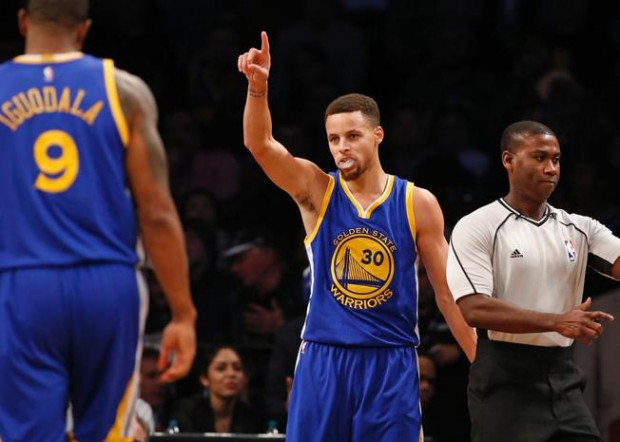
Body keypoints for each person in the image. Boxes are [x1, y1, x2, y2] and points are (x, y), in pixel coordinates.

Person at [237, 31, 476, 441]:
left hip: (391, 360)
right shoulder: (317, 189)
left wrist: (480, 360)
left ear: (378, 135)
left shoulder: (417, 202)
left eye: (352, 136)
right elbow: (259, 144)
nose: (341, 147)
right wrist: (258, 90)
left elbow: (447, 292)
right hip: (324, 357)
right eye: (333, 139)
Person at [0, 1, 197, 441]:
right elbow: (158, 212)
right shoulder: (123, 90)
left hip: (22, 282)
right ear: (84, 30)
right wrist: (182, 313)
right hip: (107, 283)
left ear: (23, 21)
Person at [446, 120, 620, 442]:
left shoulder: (580, 228)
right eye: (539, 158)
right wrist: (557, 321)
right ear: (508, 160)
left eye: (555, 159)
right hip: (504, 380)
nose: (551, 168)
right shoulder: (478, 226)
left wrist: (560, 326)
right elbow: (474, 309)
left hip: (563, 376)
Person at [167, 345, 263, 433]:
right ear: (204, 379)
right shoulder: (187, 411)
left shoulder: (252, 415)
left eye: (237, 368)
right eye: (221, 368)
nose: (231, 374)